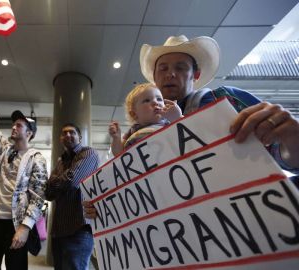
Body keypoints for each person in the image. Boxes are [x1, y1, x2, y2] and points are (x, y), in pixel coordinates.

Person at [83, 35, 299, 218]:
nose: (170, 74)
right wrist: (104, 205)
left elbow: (279, 155)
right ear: (154, 77)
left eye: (180, 67)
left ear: (195, 75)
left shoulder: (226, 99)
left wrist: (291, 136)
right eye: (163, 68)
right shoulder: (136, 134)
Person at [0, 79, 48, 270]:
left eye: (19, 125)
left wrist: (25, 227)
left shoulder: (37, 158)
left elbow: (38, 197)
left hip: (14, 224)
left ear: (30, 134)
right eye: (14, 124)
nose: (14, 127)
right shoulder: (3, 149)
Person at [45, 123, 100, 270]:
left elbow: (72, 181)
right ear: (60, 138)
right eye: (64, 133)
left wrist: (55, 181)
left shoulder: (88, 153)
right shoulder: (60, 161)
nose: (67, 135)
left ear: (80, 137)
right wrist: (61, 180)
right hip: (58, 230)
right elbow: (48, 193)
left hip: (79, 228)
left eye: (72, 132)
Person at [109, 83, 182, 156]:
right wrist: (116, 139)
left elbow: (186, 134)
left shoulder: (170, 124)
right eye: (147, 100)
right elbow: (118, 155)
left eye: (159, 99)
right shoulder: (132, 132)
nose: (155, 102)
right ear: (134, 114)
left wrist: (177, 118)